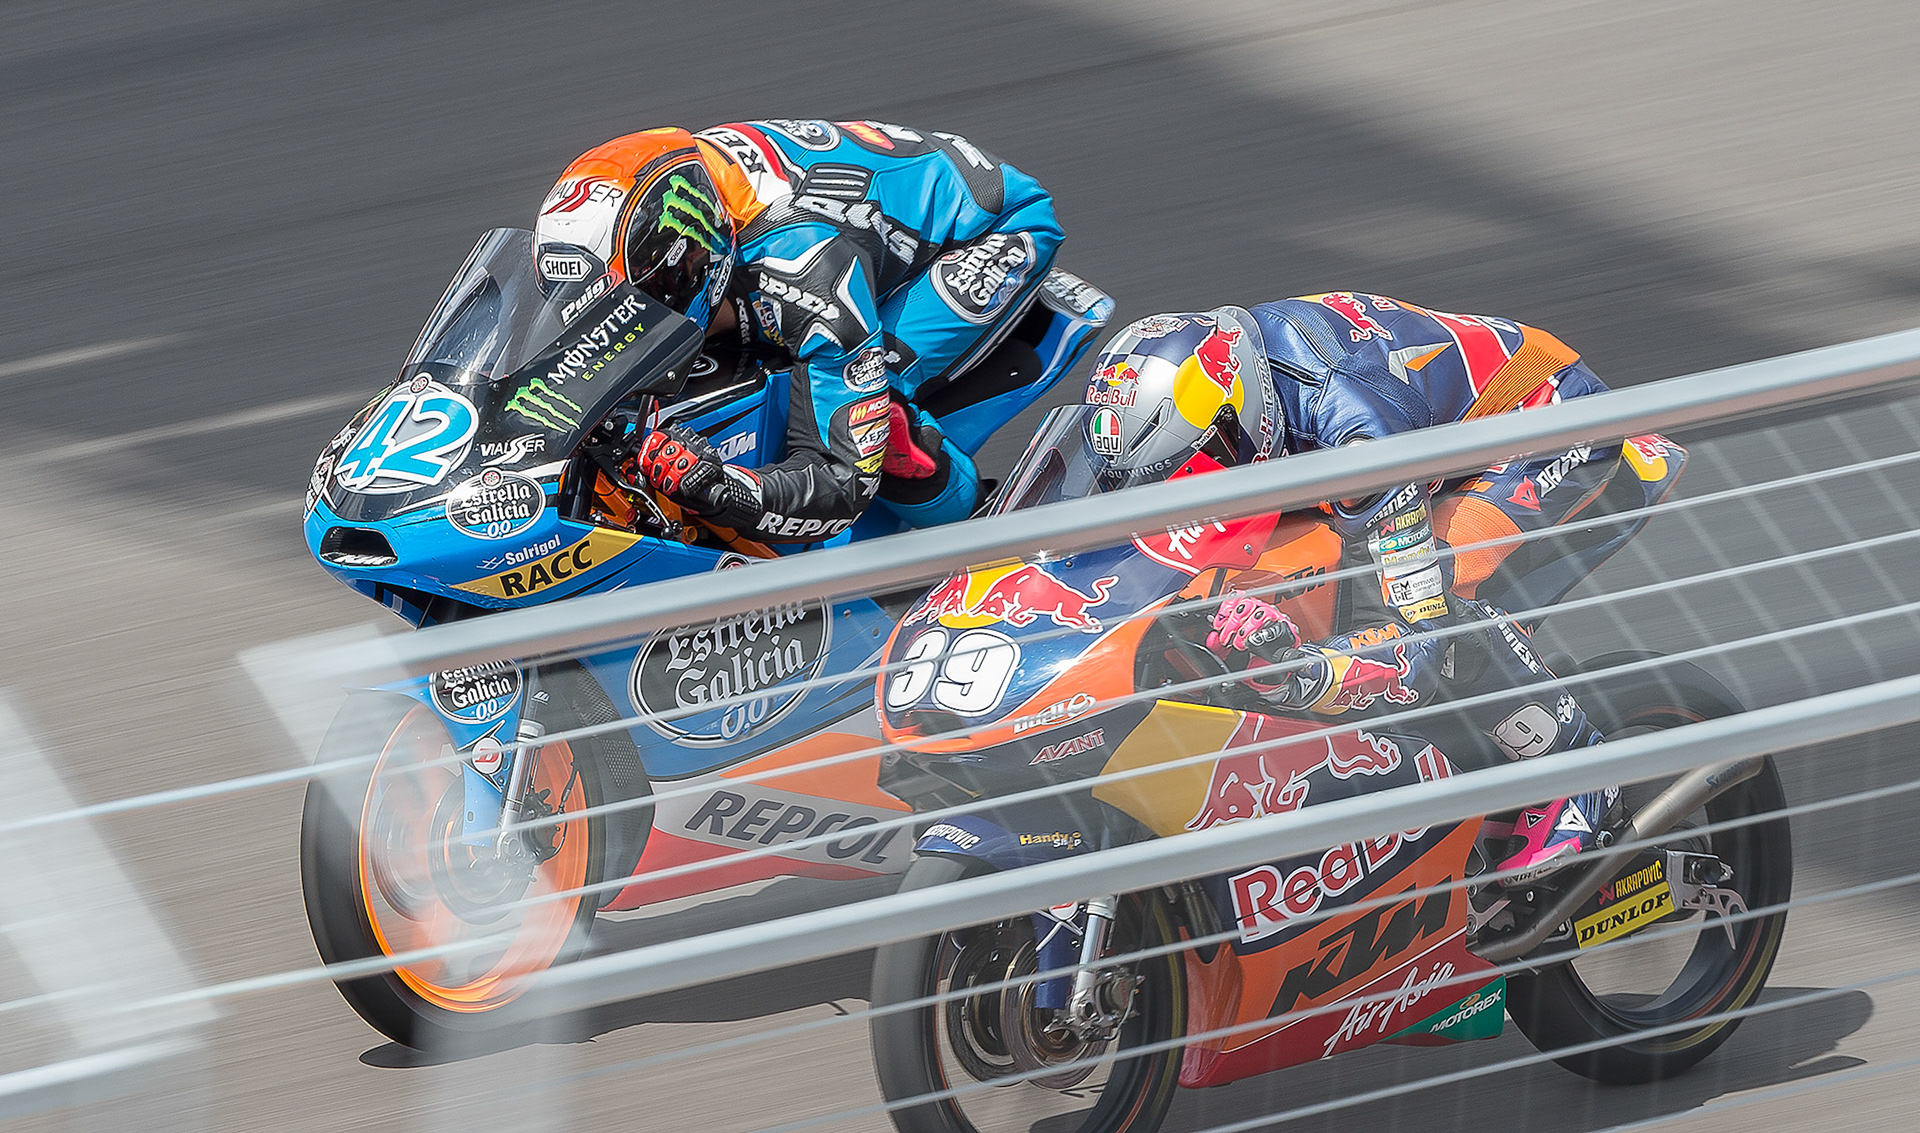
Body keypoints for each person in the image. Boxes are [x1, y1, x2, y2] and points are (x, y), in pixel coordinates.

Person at [1079, 300, 1666, 885]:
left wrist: (1304, 671)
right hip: (1421, 435)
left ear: (1237, 420)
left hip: (1544, 420)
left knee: (1438, 584)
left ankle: (1579, 772)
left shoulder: (1357, 435)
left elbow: (1421, 636)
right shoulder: (1217, 386)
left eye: (1189, 469)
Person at [530, 119, 1063, 543]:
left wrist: (722, 489)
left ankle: (984, 532)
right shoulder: (668, 201)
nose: (621, 316)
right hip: (833, 236)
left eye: (637, 299)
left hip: (987, 232)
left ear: (685, 254)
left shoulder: (805, 268)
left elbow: (842, 483)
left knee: (874, 423)